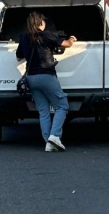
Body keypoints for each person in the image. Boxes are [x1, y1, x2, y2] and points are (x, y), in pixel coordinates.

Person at [16, 11, 77, 152]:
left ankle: (48, 143)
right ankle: (54, 136)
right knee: (62, 106)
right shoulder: (47, 35)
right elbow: (66, 44)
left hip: (31, 78)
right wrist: (72, 39)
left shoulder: (24, 38)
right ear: (41, 23)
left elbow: (19, 57)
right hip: (46, 76)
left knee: (43, 111)